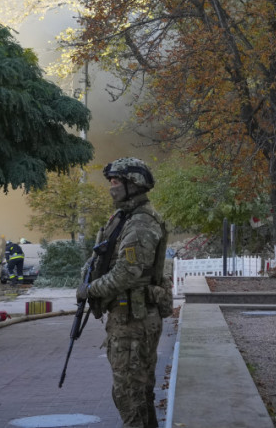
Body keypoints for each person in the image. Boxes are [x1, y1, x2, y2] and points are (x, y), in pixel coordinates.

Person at [76, 157, 170, 428]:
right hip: (127, 318)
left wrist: (89, 290)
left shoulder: (140, 224)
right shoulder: (123, 218)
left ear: (133, 185)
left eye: (116, 182)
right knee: (137, 392)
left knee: (129, 394)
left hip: (134, 320)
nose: (111, 187)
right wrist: (87, 275)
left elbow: (125, 274)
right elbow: (102, 257)